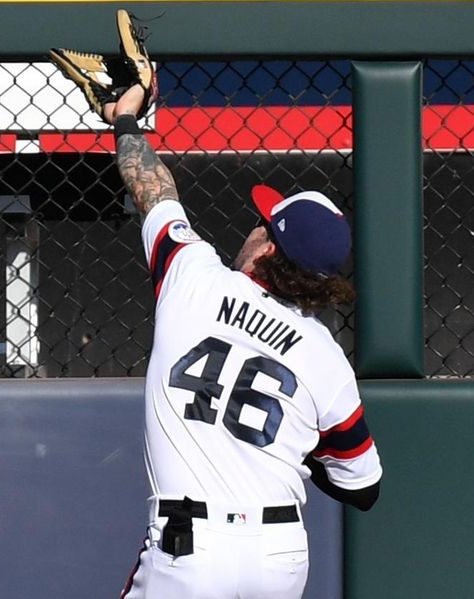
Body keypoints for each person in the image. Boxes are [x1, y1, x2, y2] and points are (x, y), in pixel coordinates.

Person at [102, 82, 382, 599]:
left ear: (269, 246)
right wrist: (299, 448)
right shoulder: (326, 359)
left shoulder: (192, 276)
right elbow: (362, 487)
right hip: (279, 555)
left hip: (190, 548)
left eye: (261, 223)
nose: (252, 228)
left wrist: (125, 121)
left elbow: (153, 189)